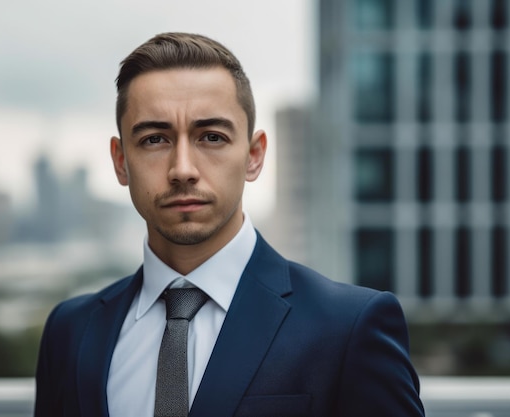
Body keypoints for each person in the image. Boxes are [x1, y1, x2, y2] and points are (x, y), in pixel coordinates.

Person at [34, 32, 424, 417]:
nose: (183, 169)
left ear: (254, 156)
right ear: (121, 161)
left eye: (212, 137)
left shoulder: (348, 327)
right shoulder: (69, 331)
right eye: (155, 139)